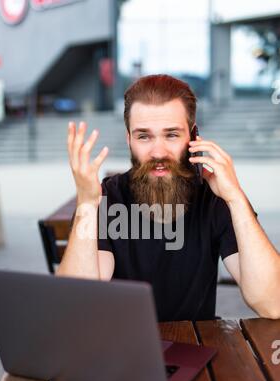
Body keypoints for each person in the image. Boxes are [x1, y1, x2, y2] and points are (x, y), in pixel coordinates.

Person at [56, 74, 280, 321]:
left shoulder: (215, 199)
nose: (158, 151)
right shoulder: (109, 197)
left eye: (171, 135)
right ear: (129, 140)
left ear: (193, 138)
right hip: (123, 349)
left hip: (197, 348)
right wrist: (87, 203)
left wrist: (236, 198)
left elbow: (273, 304)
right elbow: (77, 306)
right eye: (144, 136)